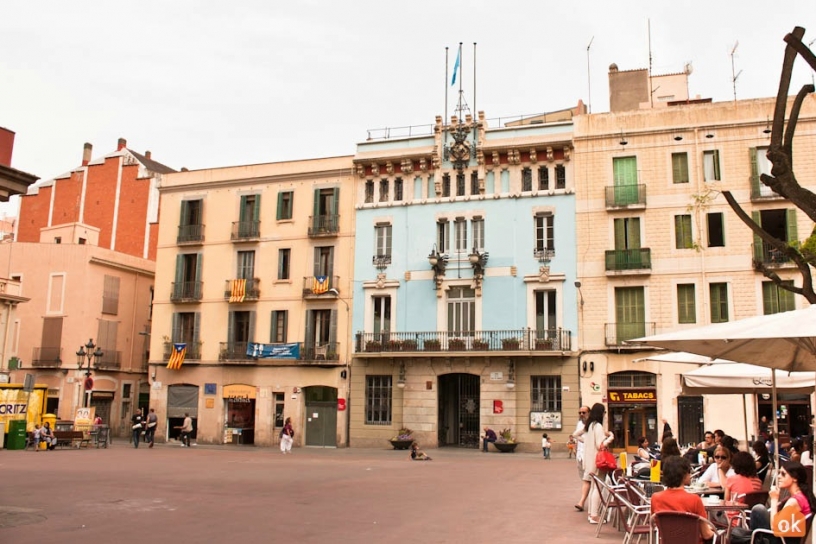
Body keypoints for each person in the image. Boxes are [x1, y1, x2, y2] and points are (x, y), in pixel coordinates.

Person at [731, 461, 816, 544]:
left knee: (758, 510)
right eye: (779, 473)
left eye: (783, 474)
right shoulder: (801, 497)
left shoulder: (795, 501)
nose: (778, 477)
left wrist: (774, 499)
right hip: (786, 538)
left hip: (781, 540)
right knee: (758, 511)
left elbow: (775, 528)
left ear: (794, 478)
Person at [651, 455, 715, 544]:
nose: (691, 474)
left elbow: (657, 524)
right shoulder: (694, 499)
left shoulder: (655, 498)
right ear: (684, 475)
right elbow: (706, 534)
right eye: (689, 471)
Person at [574, 403, 615, 524]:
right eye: (604, 412)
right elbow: (600, 445)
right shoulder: (598, 426)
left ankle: (591, 514)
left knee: (593, 487)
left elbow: (576, 435)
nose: (605, 415)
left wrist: (586, 442)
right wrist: (610, 437)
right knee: (598, 488)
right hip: (598, 462)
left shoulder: (589, 425)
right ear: (601, 413)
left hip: (589, 462)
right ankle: (594, 515)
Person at [723, 452, 763, 526]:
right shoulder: (758, 482)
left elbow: (726, 502)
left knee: (710, 513)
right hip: (751, 519)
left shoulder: (732, 479)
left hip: (733, 519)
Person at [572, 406, 590, 512]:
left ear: (589, 413)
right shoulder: (579, 423)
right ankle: (583, 501)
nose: (581, 414)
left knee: (587, 480)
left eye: (584, 412)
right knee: (584, 479)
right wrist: (575, 447)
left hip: (589, 455)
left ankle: (582, 502)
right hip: (580, 455)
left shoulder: (593, 425)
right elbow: (576, 437)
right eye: (580, 412)